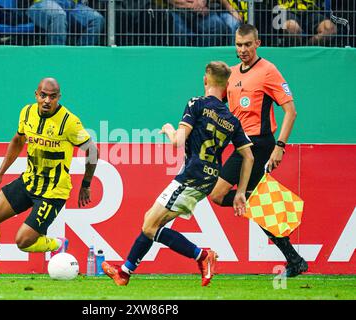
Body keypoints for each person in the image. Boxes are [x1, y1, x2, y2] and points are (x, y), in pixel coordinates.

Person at [101, 61, 254, 286]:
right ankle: (124, 273)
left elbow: (177, 142)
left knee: (149, 226)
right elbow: (249, 156)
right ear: (226, 85)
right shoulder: (232, 120)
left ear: (205, 80)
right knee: (151, 223)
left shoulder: (197, 104)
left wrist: (168, 129)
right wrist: (240, 192)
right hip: (209, 177)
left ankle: (202, 256)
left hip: (192, 175)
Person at [0, 77, 98, 279]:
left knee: (22, 242)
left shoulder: (69, 122)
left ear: (59, 97)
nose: (47, 100)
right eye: (43, 95)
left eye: (52, 96)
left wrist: (86, 185)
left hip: (53, 191)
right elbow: (18, 140)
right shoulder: (27, 112)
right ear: (36, 95)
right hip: (29, 181)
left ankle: (57, 243)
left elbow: (92, 151)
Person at [209, 24, 308, 277]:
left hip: (258, 144)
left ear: (258, 43)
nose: (242, 50)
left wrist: (280, 147)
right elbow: (220, 106)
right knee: (252, 200)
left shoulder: (268, 71)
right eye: (239, 45)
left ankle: (293, 256)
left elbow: (291, 111)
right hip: (241, 143)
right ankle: (294, 259)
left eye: (248, 45)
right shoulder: (231, 74)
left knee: (219, 195)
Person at [24, 0, 105, 45]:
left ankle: (81, 56)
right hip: (44, 3)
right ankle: (57, 55)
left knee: (97, 19)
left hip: (73, 6)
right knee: (58, 14)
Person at [155, 0, 230, 46]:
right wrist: (192, 6)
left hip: (201, 10)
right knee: (180, 30)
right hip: (176, 10)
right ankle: (184, 57)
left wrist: (202, 3)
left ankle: (201, 55)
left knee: (217, 25)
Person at [269, 0, 337, 46]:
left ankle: (307, 48)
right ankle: (298, 53)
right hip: (286, 10)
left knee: (330, 30)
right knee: (291, 27)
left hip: (312, 11)